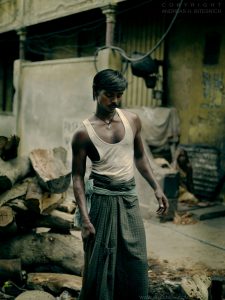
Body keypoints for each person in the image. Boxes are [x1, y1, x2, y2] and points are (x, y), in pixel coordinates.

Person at [71, 69, 169, 300]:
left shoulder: (132, 120)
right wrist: (85, 219)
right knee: (101, 261)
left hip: (129, 199)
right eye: (109, 94)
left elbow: (140, 158)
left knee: (135, 259)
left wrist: (156, 187)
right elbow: (76, 177)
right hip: (102, 202)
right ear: (95, 92)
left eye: (119, 94)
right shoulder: (83, 133)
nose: (115, 100)